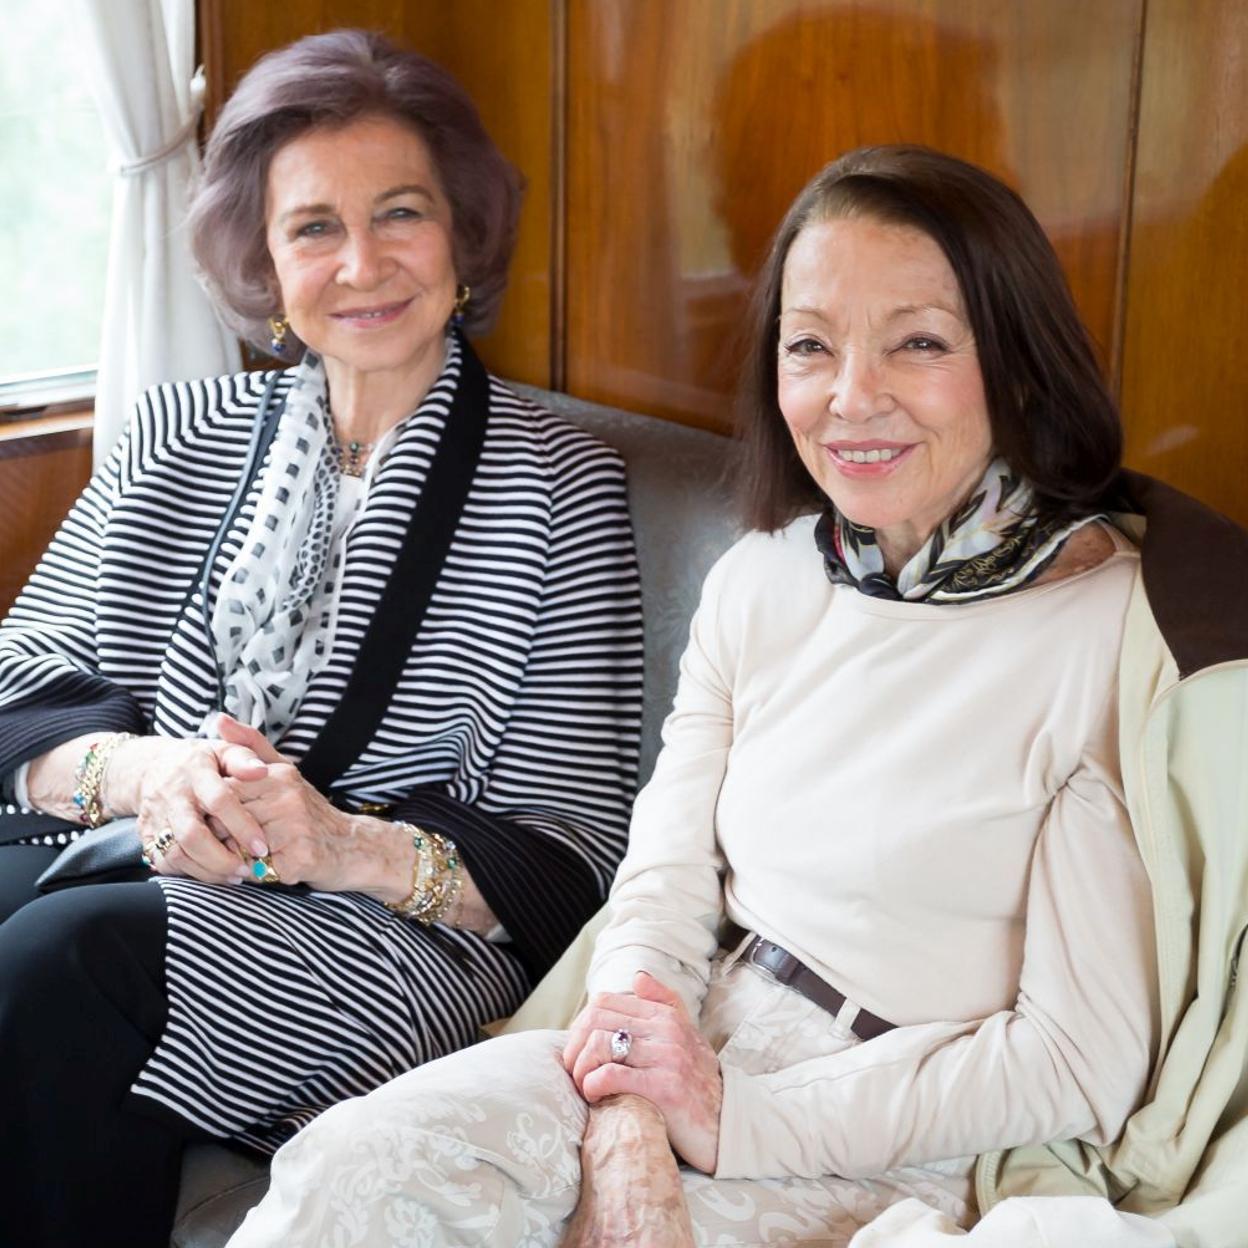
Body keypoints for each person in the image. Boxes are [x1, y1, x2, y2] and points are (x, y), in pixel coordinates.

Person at [225, 143, 1248, 1247]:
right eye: (811, 346)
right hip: (676, 1033)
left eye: (917, 343)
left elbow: (1075, 1062)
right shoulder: (762, 578)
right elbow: (661, 883)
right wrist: (629, 1117)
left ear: (1017, 361)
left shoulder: (1118, 639)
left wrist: (731, 1120)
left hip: (902, 1127)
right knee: (349, 1174)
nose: (851, 398)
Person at [0, 29, 642, 1248]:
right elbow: (16, 685)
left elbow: (571, 852)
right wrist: (153, 774)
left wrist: (337, 842)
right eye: (313, 228)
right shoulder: (178, 432)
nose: (361, 264)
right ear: (264, 258)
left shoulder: (559, 482)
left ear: (462, 235)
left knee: (61, 965)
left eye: (400, 213)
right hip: (133, 854)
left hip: (390, 929)